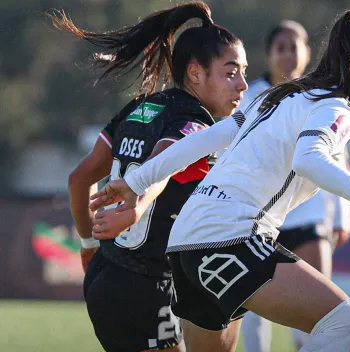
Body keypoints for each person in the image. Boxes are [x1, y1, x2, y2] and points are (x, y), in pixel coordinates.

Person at [90, 10, 350, 352]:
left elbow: (209, 137)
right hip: (229, 239)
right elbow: (309, 159)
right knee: (346, 323)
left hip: (186, 242)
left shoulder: (282, 96)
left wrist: (138, 180)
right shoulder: (337, 107)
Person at [53, 2, 248, 351]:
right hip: (148, 287)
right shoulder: (196, 123)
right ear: (195, 73)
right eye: (231, 72)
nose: (243, 84)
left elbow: (79, 180)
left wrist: (88, 245)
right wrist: (137, 205)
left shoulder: (139, 107)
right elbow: (162, 165)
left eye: (243, 72)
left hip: (104, 276)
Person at [238, 20, 350, 352]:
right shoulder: (247, 97)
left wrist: (342, 217)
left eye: (295, 46)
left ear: (307, 52)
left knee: (316, 312)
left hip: (308, 216)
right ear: (268, 54)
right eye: (281, 47)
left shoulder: (323, 96)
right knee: (253, 311)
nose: (288, 54)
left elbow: (336, 156)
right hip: (256, 218)